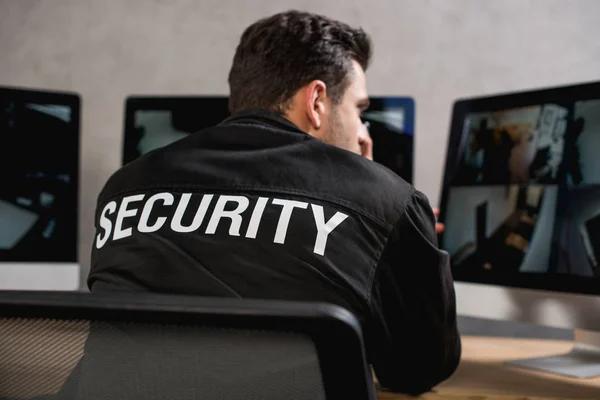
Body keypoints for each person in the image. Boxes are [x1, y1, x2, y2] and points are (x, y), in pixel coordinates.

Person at [89, 10, 460, 395]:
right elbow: (417, 370)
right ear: (317, 100)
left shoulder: (124, 189)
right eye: (358, 109)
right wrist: (379, 195)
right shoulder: (384, 200)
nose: (361, 129)